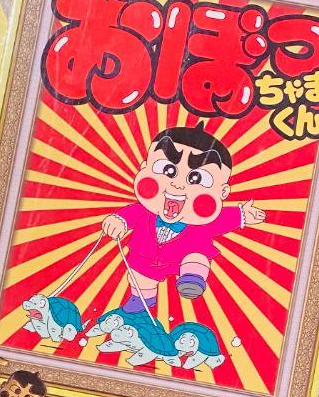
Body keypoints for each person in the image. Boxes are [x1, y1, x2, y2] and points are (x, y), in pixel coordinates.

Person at [99, 122, 265, 312]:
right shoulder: (143, 212)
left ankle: (192, 278)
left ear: (223, 192)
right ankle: (143, 299)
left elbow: (225, 218)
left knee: (196, 258)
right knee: (139, 277)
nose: (178, 185)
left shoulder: (206, 223)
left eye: (196, 178)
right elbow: (129, 215)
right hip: (145, 257)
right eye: (168, 171)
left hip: (186, 256)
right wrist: (117, 221)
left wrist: (243, 214)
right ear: (144, 168)